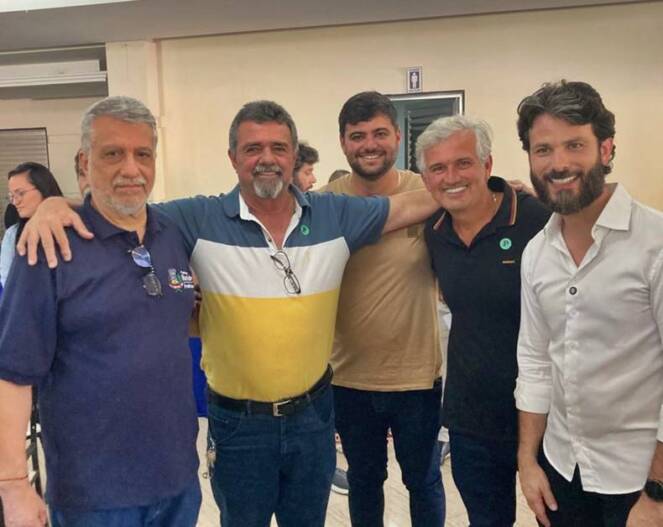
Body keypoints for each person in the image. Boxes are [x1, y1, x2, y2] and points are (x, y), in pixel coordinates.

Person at [17, 99, 439, 527]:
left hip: (313, 418)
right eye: (253, 148)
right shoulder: (195, 218)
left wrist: (469, 188)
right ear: (233, 158)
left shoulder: (335, 214)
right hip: (238, 425)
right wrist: (56, 206)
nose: (267, 159)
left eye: (278, 148)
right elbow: (121, 204)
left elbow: (407, 207)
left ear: (294, 156)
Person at [0, 96, 201, 527]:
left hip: (179, 481)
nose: (131, 169)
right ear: (83, 162)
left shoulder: (171, 235)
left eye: (143, 154)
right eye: (112, 154)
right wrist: (13, 484)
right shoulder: (48, 247)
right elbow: (13, 373)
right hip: (95, 496)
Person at [514, 80, 663, 527]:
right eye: (543, 149)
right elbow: (535, 361)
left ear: (606, 148)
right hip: (562, 469)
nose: (558, 164)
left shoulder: (654, 243)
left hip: (639, 480)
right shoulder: (537, 252)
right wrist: (528, 461)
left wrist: (657, 494)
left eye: (574, 145)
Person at [417, 114, 550, 526]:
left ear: (487, 165)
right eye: (438, 168)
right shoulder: (434, 231)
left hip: (546, 416)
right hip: (471, 417)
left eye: (463, 163)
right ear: (426, 179)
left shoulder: (538, 220)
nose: (451, 177)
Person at [321, 91, 445, 526]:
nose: (369, 145)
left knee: (423, 480)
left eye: (379, 134)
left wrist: (507, 189)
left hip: (417, 377)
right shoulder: (323, 204)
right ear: (343, 142)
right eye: (357, 136)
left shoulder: (430, 191)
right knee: (364, 480)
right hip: (349, 377)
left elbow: (480, 204)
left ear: (397, 137)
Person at [0, 162, 63, 287]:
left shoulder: (73, 224)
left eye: (20, 193)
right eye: (11, 196)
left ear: (43, 188)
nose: (15, 202)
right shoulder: (12, 235)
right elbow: (8, 282)